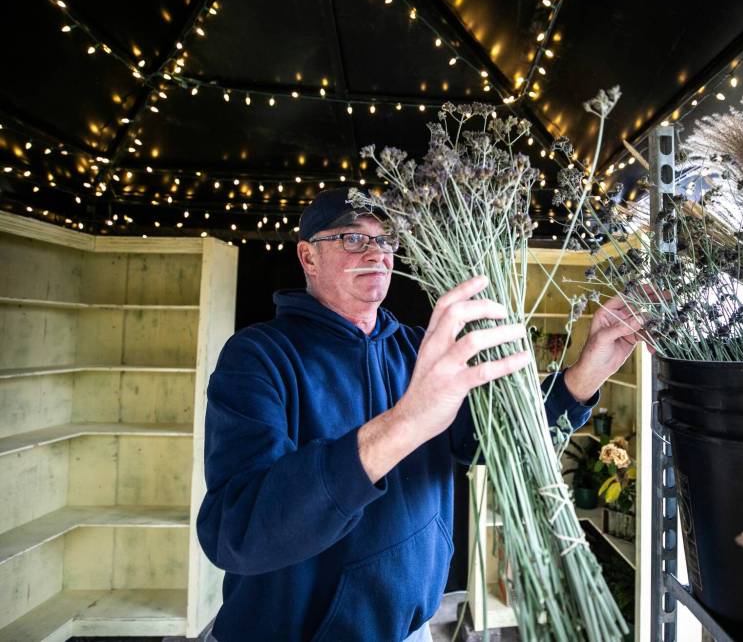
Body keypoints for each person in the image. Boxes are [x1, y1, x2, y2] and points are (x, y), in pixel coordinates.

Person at [196, 188, 645, 642]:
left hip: (411, 631)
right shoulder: (258, 357)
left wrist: (585, 375)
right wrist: (407, 421)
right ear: (308, 257)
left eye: (386, 240)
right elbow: (236, 530)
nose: (376, 253)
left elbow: (487, 443)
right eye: (353, 238)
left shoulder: (417, 349)